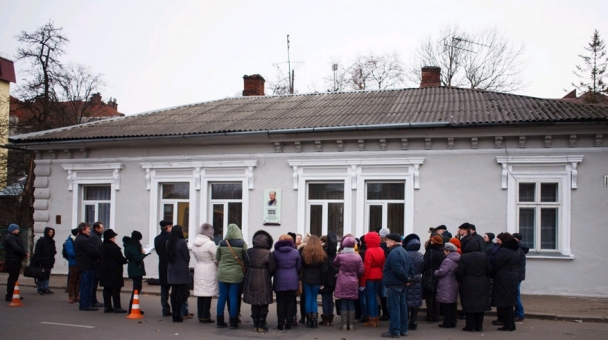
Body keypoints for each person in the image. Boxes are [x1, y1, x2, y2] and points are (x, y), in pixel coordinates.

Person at [381, 233, 414, 338]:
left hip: (394, 284)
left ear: (394, 242)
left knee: (394, 308)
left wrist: (407, 278)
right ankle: (403, 329)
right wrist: (409, 279)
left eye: (388, 240)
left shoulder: (393, 253)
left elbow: (397, 269)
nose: (386, 242)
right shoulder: (403, 251)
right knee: (402, 307)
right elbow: (411, 267)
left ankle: (395, 331)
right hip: (402, 284)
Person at [243, 230, 276, 332]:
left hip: (251, 277)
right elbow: (272, 267)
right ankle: (261, 324)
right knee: (264, 301)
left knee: (254, 302)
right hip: (264, 278)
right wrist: (267, 274)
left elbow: (246, 264)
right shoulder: (268, 253)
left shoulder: (249, 251)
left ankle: (255, 323)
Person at [216, 223, 247, 329]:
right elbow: (245, 257)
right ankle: (233, 322)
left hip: (222, 273)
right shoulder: (242, 243)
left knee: (222, 297)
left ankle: (219, 321)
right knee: (233, 297)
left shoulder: (222, 243)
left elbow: (218, 257)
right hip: (236, 274)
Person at [455, 240, 491, 332]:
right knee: (480, 305)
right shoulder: (483, 256)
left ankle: (470, 326)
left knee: (469, 304)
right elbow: (489, 269)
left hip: (468, 282)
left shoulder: (464, 257)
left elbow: (460, 271)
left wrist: (458, 279)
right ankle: (479, 326)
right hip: (482, 282)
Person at [490, 232, 521, 331]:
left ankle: (508, 325)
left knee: (505, 302)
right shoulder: (516, 250)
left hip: (504, 278)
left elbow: (496, 264)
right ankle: (511, 324)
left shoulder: (504, 251)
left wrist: (491, 273)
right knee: (510, 302)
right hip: (513, 277)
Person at [333, 235, 364, 331]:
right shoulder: (358, 257)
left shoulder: (341, 256)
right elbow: (361, 270)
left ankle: (343, 325)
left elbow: (334, 263)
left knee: (343, 301)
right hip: (353, 281)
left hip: (342, 280)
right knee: (351, 302)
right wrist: (356, 275)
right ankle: (350, 325)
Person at [273, 234, 301, 331]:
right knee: (291, 301)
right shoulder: (295, 252)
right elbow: (299, 266)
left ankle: (280, 323)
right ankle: (289, 322)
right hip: (292, 277)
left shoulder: (275, 253)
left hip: (279, 277)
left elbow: (273, 266)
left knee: (280, 302)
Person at [192, 223, 218, 324]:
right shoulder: (210, 244)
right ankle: (206, 316)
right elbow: (216, 257)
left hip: (199, 267)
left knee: (200, 293)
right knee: (208, 293)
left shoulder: (194, 242)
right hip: (209, 268)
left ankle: (200, 315)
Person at [301, 235, 327, 328]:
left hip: (306, 277)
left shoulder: (304, 252)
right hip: (317, 277)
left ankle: (309, 319)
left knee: (308, 297)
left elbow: (301, 266)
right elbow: (324, 269)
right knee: (314, 299)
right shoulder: (322, 253)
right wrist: (323, 282)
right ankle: (315, 320)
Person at [99, 229, 128, 313]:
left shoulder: (103, 246)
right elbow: (119, 258)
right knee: (115, 289)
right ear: (110, 238)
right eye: (113, 237)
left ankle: (107, 306)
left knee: (107, 289)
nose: (114, 238)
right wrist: (125, 260)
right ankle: (117, 306)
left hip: (105, 270)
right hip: (114, 271)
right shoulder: (113, 247)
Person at [74, 222, 101, 311]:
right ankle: (86, 304)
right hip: (87, 265)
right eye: (88, 229)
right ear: (83, 230)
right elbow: (93, 252)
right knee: (87, 285)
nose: (89, 231)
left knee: (84, 285)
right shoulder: (84, 240)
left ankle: (84, 303)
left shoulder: (79, 239)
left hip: (83, 265)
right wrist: (99, 255)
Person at [167, 225, 191, 322]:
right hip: (181, 269)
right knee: (180, 293)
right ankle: (178, 313)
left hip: (171, 268)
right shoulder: (182, 242)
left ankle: (174, 313)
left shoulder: (168, 242)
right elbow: (186, 256)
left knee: (174, 292)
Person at [362, 231, 385, 328]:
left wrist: (362, 281)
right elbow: (383, 264)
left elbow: (366, 267)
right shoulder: (381, 249)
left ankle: (372, 319)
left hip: (370, 276)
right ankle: (376, 319)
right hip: (379, 275)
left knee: (370, 297)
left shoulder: (369, 251)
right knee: (375, 297)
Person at [435, 242, 461, 329]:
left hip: (446, 283)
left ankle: (447, 322)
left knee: (446, 304)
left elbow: (442, 272)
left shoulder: (447, 260)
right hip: (453, 283)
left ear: (447, 251)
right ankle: (453, 321)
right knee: (452, 304)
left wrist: (436, 272)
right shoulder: (457, 258)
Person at [403, 234, 424, 330]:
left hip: (408, 279)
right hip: (418, 279)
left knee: (406, 301)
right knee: (415, 301)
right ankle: (414, 321)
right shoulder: (421, 255)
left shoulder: (405, 254)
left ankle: (406, 321)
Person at [422, 234, 444, 322]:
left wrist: (422, 271)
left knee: (429, 297)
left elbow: (425, 264)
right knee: (437, 297)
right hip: (438, 276)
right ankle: (436, 316)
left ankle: (430, 316)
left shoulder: (430, 252)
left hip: (429, 276)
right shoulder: (442, 252)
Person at [3, 223, 28, 302]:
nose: (18, 230)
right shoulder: (10, 238)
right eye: (16, 229)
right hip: (13, 259)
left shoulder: (14, 237)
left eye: (18, 229)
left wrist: (24, 252)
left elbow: (20, 246)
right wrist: (24, 253)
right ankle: (9, 295)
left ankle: (14, 294)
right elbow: (16, 248)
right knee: (13, 277)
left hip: (16, 259)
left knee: (15, 277)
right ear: (12, 230)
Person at [124, 230, 147, 314]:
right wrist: (143, 254)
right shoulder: (132, 246)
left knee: (137, 288)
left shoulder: (130, 246)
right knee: (136, 288)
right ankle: (132, 307)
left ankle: (134, 306)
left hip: (135, 269)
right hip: (135, 269)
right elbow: (137, 258)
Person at [154, 220, 173, 316]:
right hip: (171, 264)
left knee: (164, 288)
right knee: (174, 287)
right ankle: (176, 308)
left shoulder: (157, 238)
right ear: (168, 227)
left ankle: (165, 308)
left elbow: (158, 251)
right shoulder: (172, 238)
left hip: (162, 264)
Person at [319, 232, 338, 326]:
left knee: (325, 298)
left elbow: (323, 268)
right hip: (332, 277)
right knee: (330, 298)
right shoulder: (334, 251)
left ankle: (326, 318)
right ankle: (330, 318)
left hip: (325, 277)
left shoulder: (323, 251)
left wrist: (322, 282)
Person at [32, 227, 56, 295]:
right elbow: (37, 251)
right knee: (41, 275)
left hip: (49, 261)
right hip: (42, 261)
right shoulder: (41, 241)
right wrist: (38, 260)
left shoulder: (52, 241)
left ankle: (45, 288)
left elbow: (53, 251)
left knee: (47, 275)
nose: (51, 234)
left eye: (52, 232)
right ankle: (40, 288)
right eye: (50, 232)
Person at [512, 233, 528, 322]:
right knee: (516, 294)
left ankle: (519, 313)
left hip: (516, 275)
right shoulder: (520, 248)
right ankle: (518, 313)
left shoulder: (518, 249)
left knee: (516, 295)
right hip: (518, 274)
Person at [90, 222, 104, 308]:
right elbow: (96, 251)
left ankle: (93, 300)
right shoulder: (94, 237)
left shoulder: (97, 236)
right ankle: (92, 301)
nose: (103, 229)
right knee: (93, 283)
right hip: (95, 264)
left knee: (94, 283)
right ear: (96, 228)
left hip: (96, 263)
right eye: (101, 228)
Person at [65, 228, 80, 303]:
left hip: (78, 263)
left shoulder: (75, 241)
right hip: (73, 263)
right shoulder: (69, 242)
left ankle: (77, 295)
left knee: (77, 280)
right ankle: (71, 296)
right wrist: (80, 254)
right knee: (72, 280)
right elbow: (70, 253)